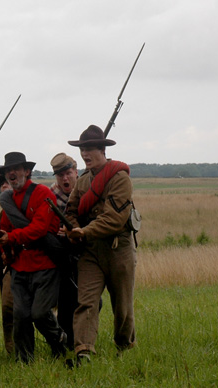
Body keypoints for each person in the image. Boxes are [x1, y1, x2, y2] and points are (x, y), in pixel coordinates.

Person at [65, 125, 136, 363]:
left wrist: (83, 231)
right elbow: (71, 210)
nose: (85, 154)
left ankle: (124, 345)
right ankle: (84, 350)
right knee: (86, 302)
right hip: (90, 251)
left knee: (122, 306)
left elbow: (114, 219)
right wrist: (74, 227)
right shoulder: (83, 181)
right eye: (82, 149)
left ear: (102, 149)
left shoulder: (120, 179)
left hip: (118, 248)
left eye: (90, 148)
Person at [0, 152, 67, 363]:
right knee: (21, 315)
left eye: (15, 169)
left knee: (39, 313)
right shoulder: (8, 200)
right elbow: (4, 229)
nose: (11, 174)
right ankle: (24, 360)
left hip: (44, 262)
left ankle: (58, 340)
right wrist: (4, 251)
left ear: (27, 171)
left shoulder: (43, 193)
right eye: (8, 171)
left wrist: (11, 237)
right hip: (20, 265)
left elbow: (39, 229)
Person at [49, 153, 79, 351]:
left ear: (76, 172)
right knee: (65, 302)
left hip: (83, 252)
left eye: (68, 173)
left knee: (89, 301)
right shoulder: (50, 196)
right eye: (60, 175)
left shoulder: (86, 191)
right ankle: (66, 342)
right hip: (59, 255)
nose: (65, 179)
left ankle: (82, 339)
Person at [0, 172, 14, 356]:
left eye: (8, 183)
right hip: (11, 266)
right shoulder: (2, 214)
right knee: (7, 308)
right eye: (2, 185)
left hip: (33, 263)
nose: (4, 187)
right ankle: (12, 350)